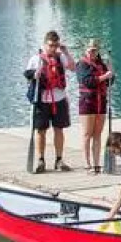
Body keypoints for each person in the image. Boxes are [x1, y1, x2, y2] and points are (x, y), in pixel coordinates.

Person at [24, 30, 74, 173]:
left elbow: (73, 67)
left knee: (59, 129)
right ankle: (41, 160)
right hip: (41, 100)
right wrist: (35, 74)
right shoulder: (36, 59)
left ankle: (59, 160)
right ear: (45, 44)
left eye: (55, 45)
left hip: (59, 99)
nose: (53, 48)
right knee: (41, 131)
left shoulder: (61, 57)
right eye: (50, 45)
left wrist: (66, 52)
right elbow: (26, 74)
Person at [76, 39, 114, 173]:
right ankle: (87, 163)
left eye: (95, 50)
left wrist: (111, 73)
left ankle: (97, 163)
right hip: (87, 102)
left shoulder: (101, 64)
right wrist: (105, 76)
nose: (93, 52)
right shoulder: (82, 64)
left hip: (100, 101)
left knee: (97, 134)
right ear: (86, 50)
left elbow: (109, 83)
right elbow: (88, 82)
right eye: (91, 50)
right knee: (87, 133)